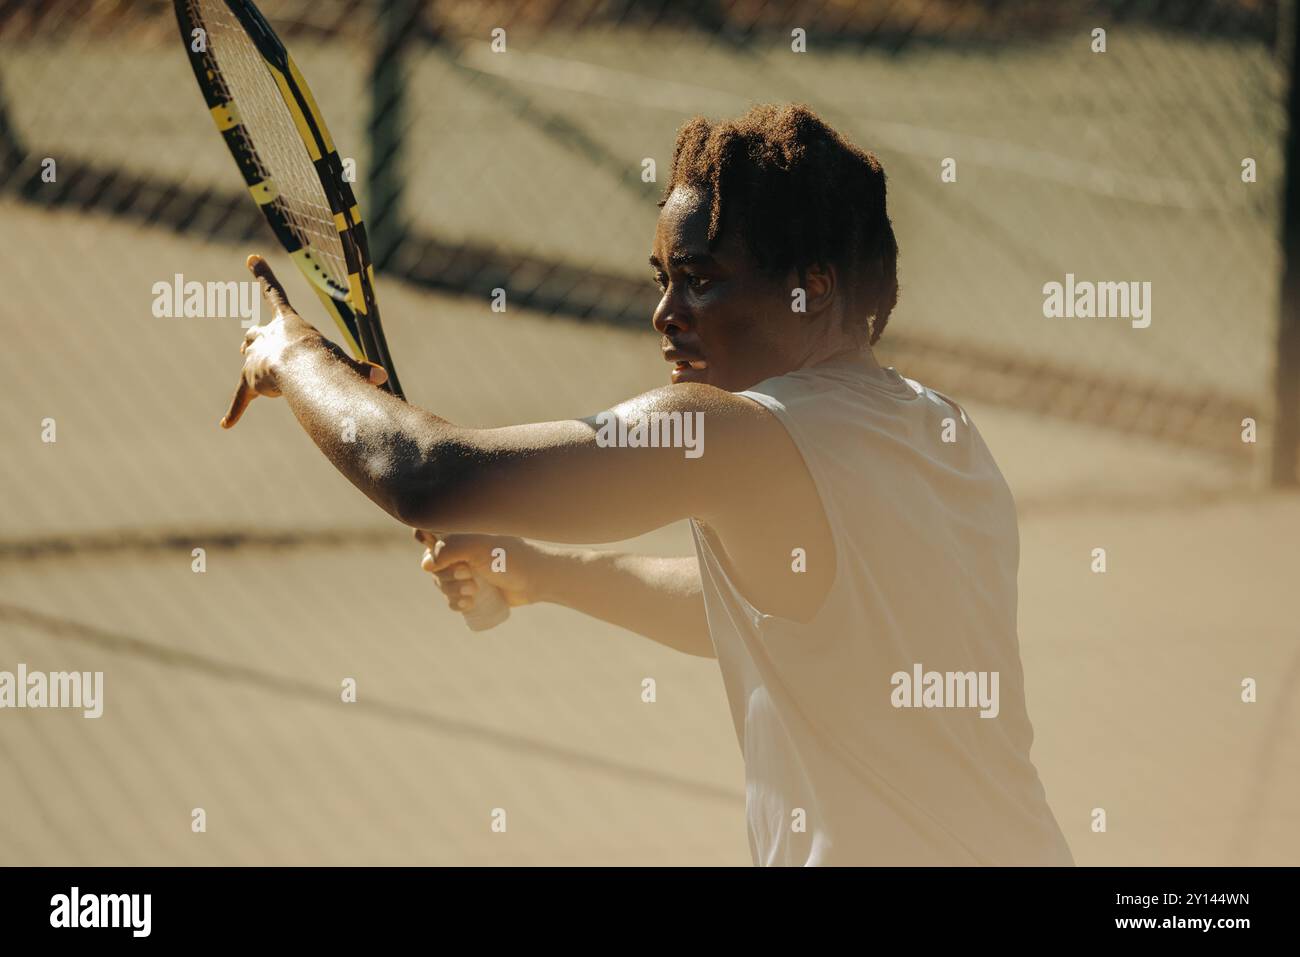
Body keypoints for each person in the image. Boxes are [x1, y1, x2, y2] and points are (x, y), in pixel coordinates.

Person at [221, 103, 1074, 866]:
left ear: (812, 289)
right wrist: (547, 574)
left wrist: (292, 357)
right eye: (662, 279)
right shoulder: (941, 431)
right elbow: (779, 604)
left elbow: (427, 473)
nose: (666, 312)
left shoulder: (732, 434)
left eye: (701, 280)